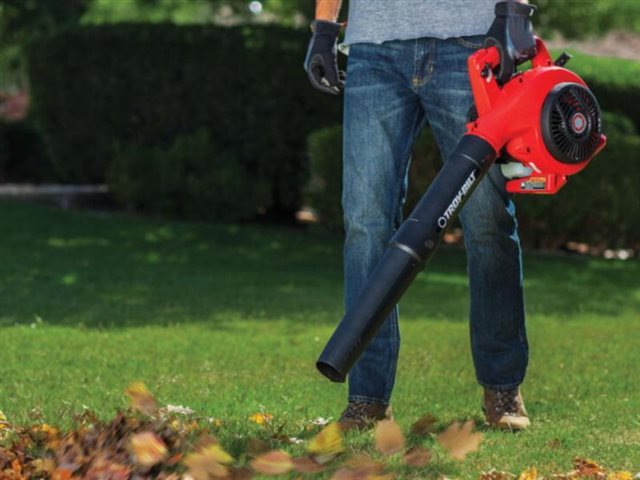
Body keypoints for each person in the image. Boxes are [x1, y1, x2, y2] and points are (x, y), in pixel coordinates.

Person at [304, 0, 536, 431]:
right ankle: (367, 398)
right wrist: (323, 26)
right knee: (365, 222)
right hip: (375, 48)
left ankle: (502, 386)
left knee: (487, 218)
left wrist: (514, 13)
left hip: (468, 40)